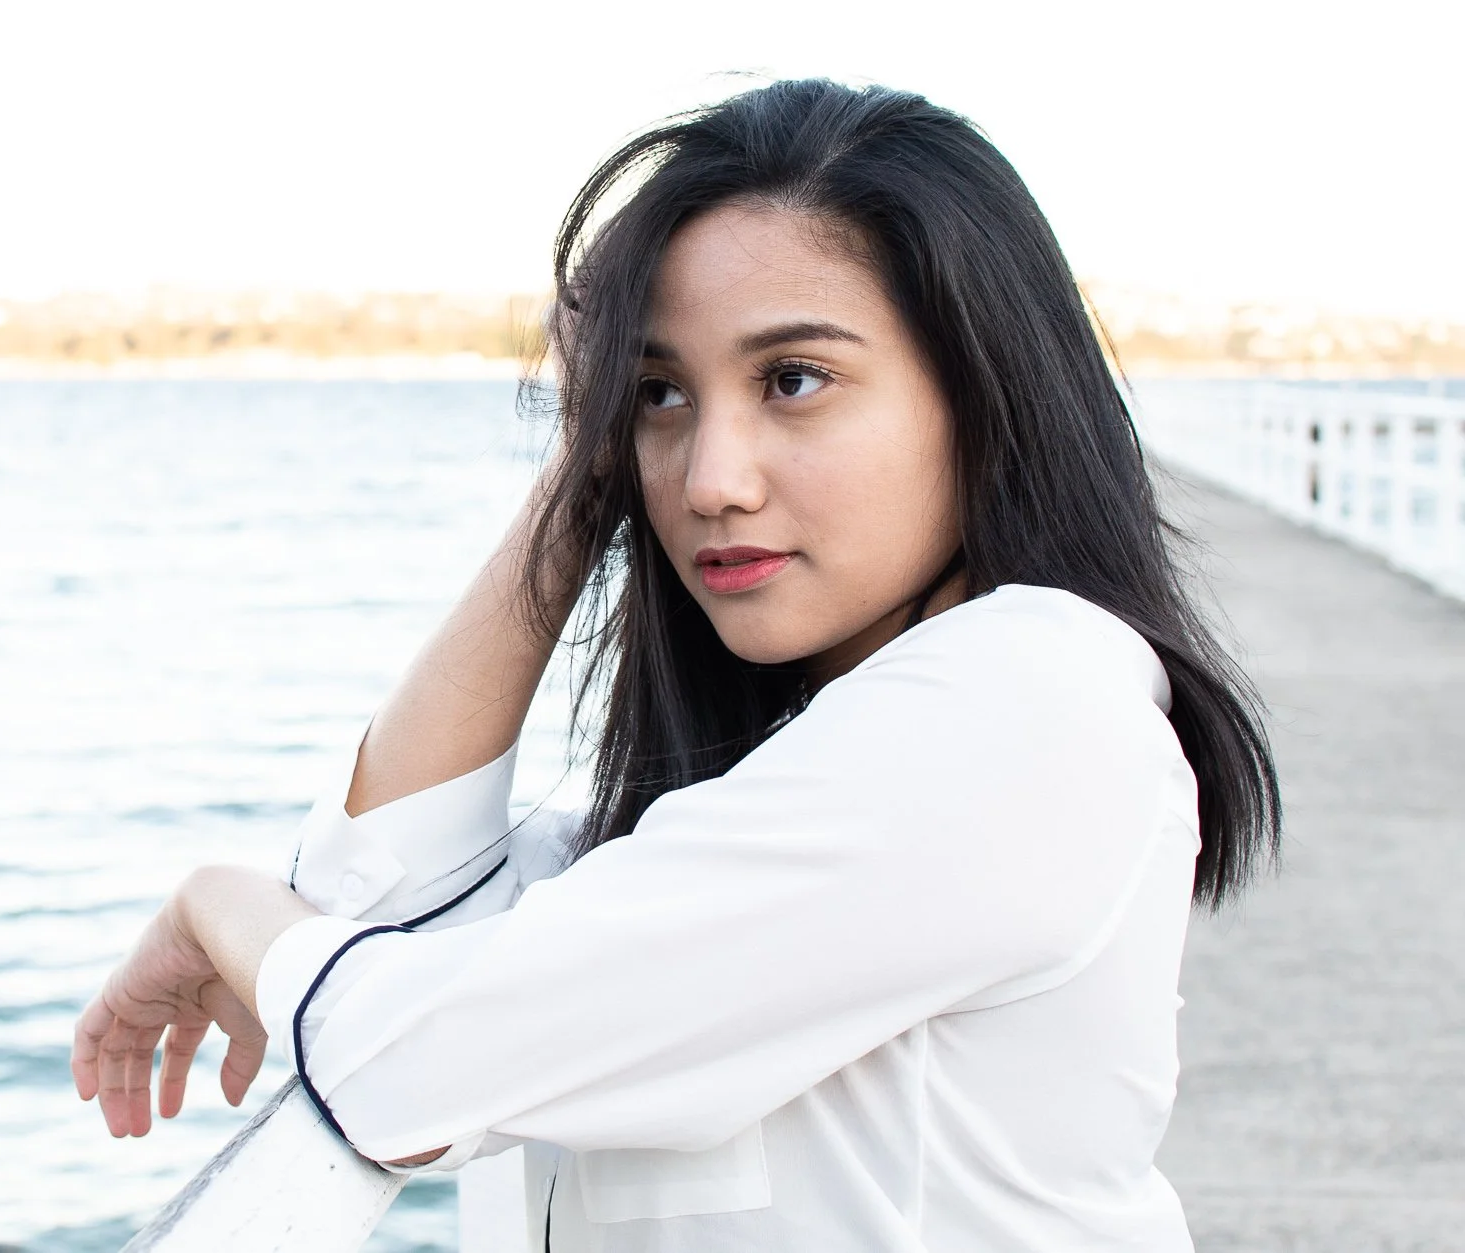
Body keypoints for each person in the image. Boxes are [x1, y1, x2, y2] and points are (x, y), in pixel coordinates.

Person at [70, 79, 1279, 1251]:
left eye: (792, 381)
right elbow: (374, 913)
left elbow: (399, 1072)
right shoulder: (799, 749)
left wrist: (210, 900)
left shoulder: (1019, 706)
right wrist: (580, 469)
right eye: (658, 394)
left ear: (982, 389)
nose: (707, 480)